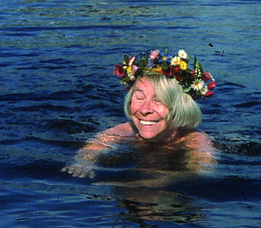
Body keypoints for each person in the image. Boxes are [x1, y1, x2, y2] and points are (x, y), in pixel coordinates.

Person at [63, 48, 217, 179]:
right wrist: (83, 162)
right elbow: (93, 147)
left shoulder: (195, 141)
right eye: (139, 98)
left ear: (179, 106)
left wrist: (147, 186)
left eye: (158, 100)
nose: (144, 110)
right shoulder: (127, 130)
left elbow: (200, 173)